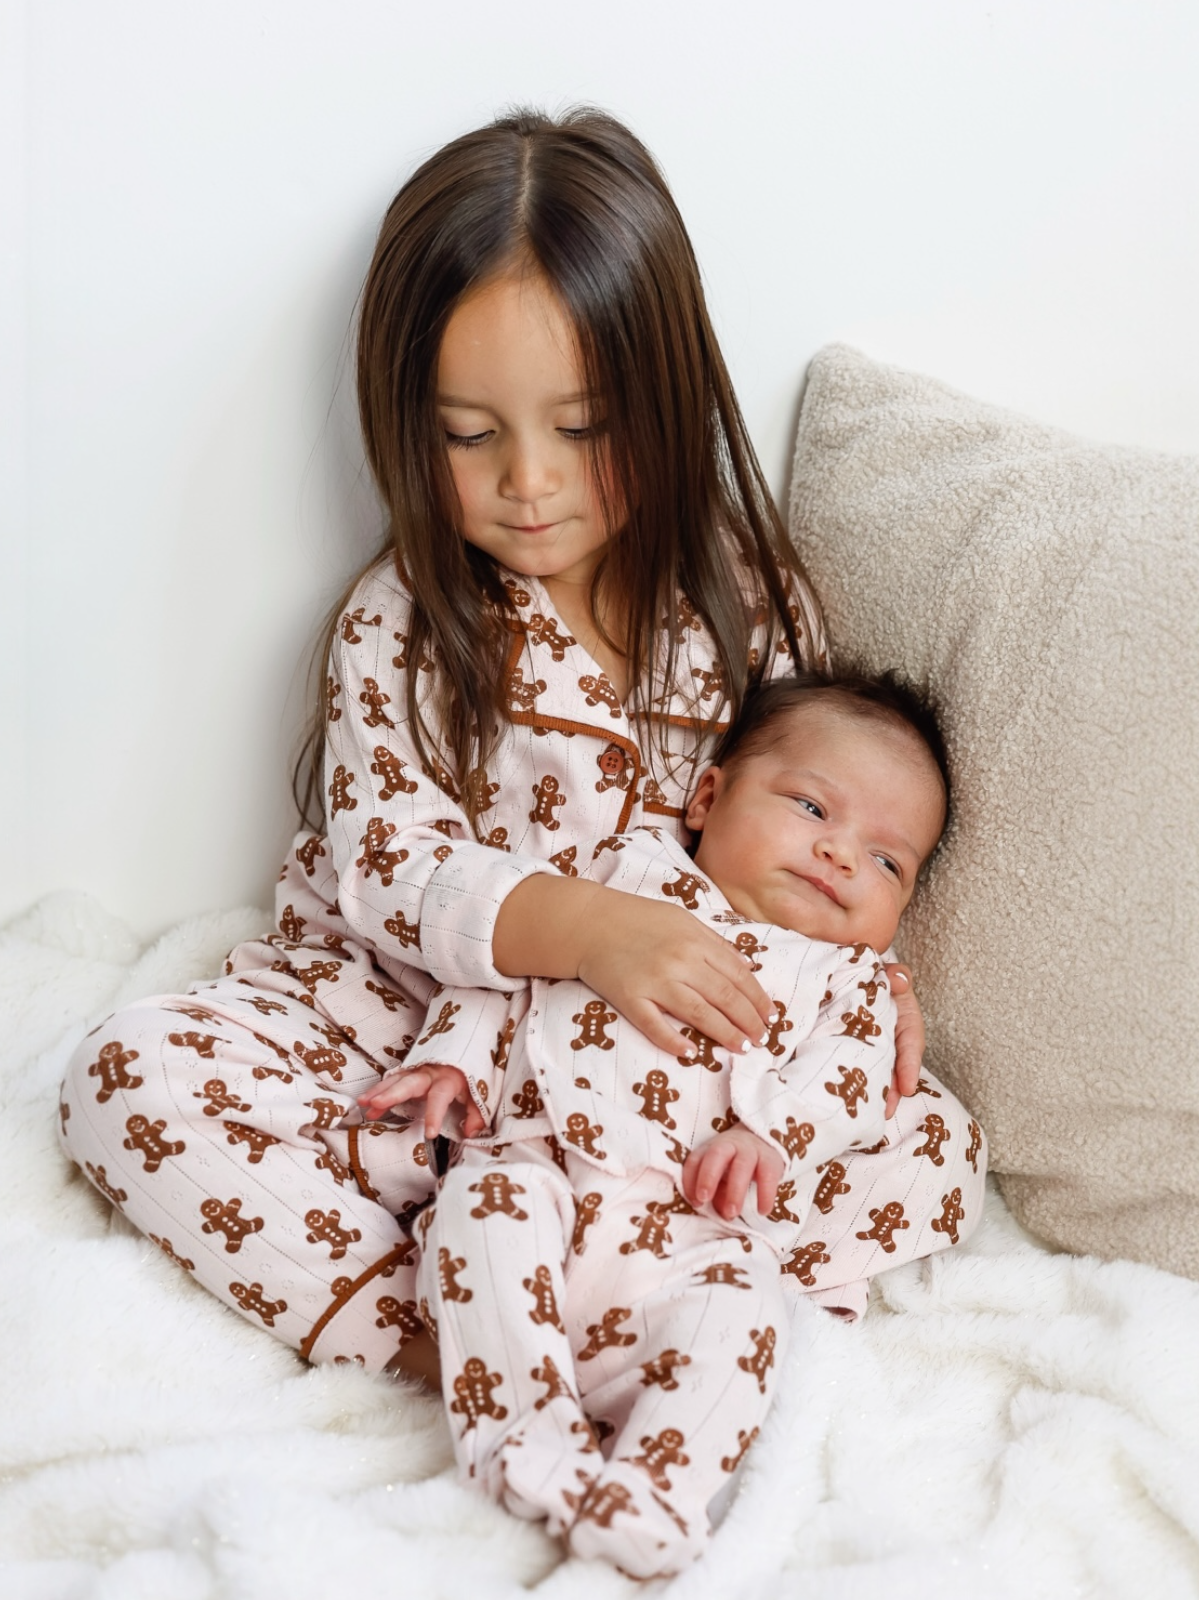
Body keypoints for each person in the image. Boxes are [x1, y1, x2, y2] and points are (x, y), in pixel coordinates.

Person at [57, 106, 980, 1382]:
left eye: (582, 427)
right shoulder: (403, 622)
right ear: (409, 421)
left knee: (932, 1143)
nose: (527, 482)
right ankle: (460, 1331)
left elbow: (831, 811)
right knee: (127, 1076)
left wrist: (858, 990)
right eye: (469, 434)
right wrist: (591, 931)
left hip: (674, 1092)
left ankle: (658, 1273)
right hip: (425, 1038)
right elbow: (385, 859)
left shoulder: (751, 593)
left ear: (658, 398)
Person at [357, 672, 985, 1576]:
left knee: (741, 1301)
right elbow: (507, 976)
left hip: (691, 1230)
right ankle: (523, 1440)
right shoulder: (618, 879)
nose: (843, 857)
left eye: (889, 862)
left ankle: (657, 1485)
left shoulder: (848, 981)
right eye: (812, 807)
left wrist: (769, 1137)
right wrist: (456, 1056)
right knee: (480, 1206)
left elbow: (849, 1084)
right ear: (707, 796)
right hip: (545, 1171)